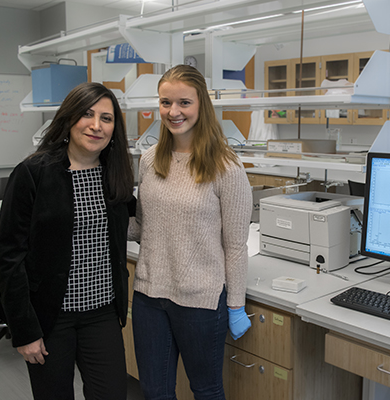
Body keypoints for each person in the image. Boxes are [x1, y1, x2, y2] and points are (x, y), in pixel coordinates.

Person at [0, 82, 135, 400]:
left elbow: (128, 227)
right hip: (50, 315)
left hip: (101, 313)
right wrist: (24, 330)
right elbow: (9, 256)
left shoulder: (116, 174)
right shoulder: (34, 173)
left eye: (107, 118)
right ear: (69, 119)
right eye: (87, 114)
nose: (96, 125)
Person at [128, 64, 252, 399]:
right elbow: (142, 225)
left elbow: (236, 244)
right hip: (149, 296)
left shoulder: (226, 166)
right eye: (166, 103)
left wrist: (236, 304)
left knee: (206, 390)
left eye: (184, 102)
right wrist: (99, 215)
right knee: (154, 391)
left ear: (201, 106)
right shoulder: (149, 159)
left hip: (200, 300)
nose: (174, 111)